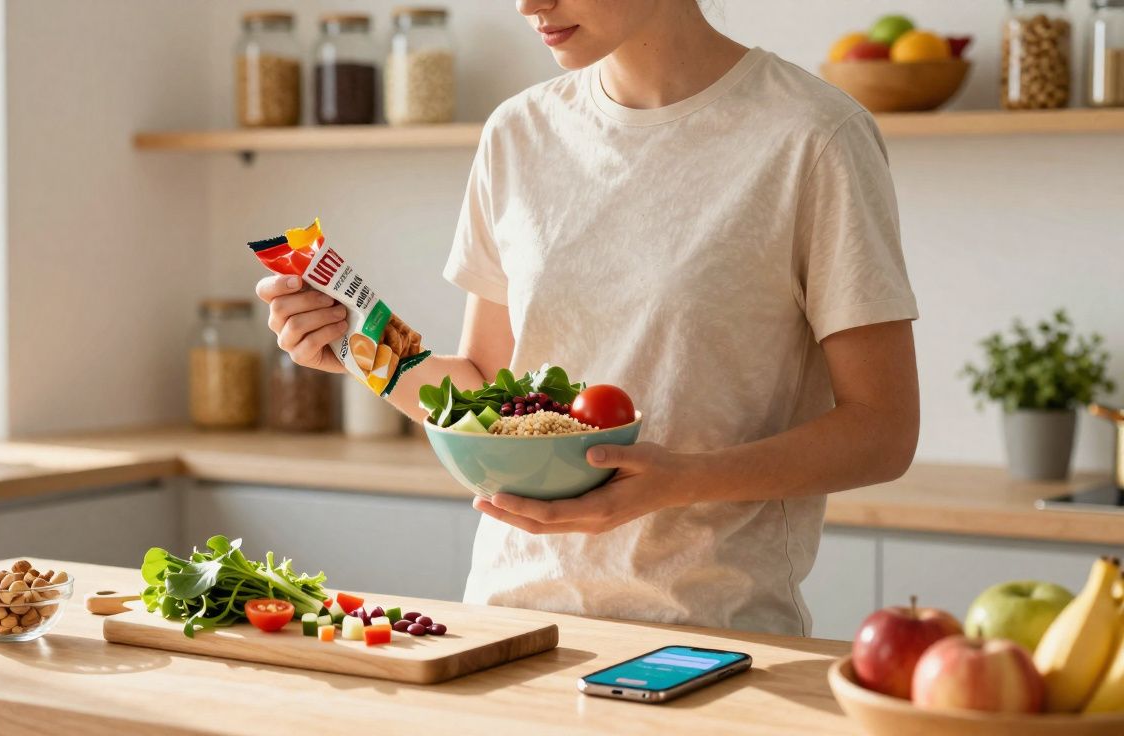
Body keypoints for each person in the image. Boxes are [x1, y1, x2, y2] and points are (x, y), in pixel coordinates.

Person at [255, 0, 919, 636]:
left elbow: (882, 429)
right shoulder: (517, 134)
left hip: (706, 633)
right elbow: (487, 386)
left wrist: (682, 482)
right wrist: (355, 343)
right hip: (509, 619)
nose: (527, 4)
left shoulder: (815, 136)